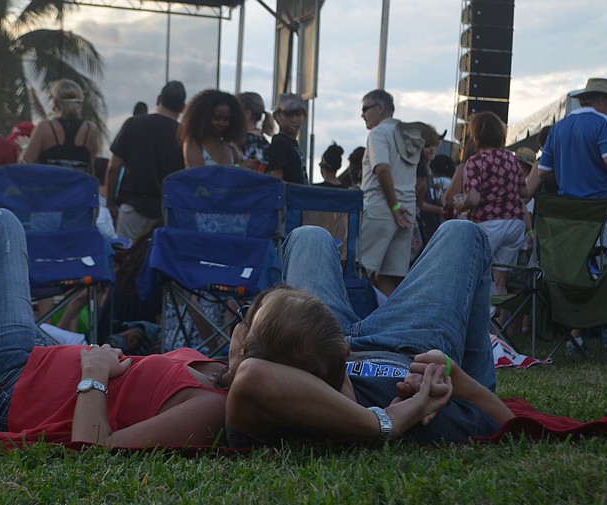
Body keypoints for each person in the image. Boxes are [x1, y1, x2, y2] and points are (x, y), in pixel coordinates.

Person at [0, 209, 229, 448]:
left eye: (250, 317)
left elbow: (95, 446)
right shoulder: (218, 368)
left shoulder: (213, 407)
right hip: (33, 364)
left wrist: (96, 372)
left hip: (2, 392)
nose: (240, 321)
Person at [225, 221, 515, 447]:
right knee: (463, 232)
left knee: (308, 235)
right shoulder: (418, 405)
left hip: (315, 337)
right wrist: (450, 372)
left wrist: (237, 361)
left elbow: (250, 374)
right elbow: (500, 422)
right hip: (409, 347)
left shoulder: (269, 393)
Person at [538, 78, 607, 354]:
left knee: (579, 274)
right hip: (602, 211)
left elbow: (544, 172)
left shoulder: (559, 127)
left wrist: (570, 183)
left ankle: (576, 336)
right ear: (602, 100)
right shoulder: (601, 122)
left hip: (571, 216)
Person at [453, 111, 528, 307]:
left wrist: (461, 204)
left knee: (475, 274)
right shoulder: (511, 159)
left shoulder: (476, 162)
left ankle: (478, 327)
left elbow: (474, 199)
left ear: (476, 135)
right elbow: (524, 190)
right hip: (515, 223)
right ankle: (498, 330)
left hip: (488, 223)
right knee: (501, 281)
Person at [358, 89, 424, 297]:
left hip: (382, 208)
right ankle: (393, 324)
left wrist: (394, 206)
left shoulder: (378, 133)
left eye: (365, 109)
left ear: (380, 108)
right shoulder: (409, 135)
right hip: (407, 211)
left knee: (360, 269)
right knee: (391, 276)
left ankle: (355, 323)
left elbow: (382, 169)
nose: (363, 115)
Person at [106, 81, 186, 242]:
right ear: (183, 108)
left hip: (132, 208)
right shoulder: (184, 136)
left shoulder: (133, 124)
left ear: (158, 99)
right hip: (165, 213)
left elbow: (114, 167)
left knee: (126, 262)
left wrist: (110, 203)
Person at [20, 79, 98, 174]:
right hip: (78, 188)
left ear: (55, 102)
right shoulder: (90, 129)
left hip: (50, 187)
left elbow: (24, 163)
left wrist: (24, 146)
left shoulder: (44, 127)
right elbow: (91, 168)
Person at [179, 89, 245, 168]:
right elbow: (200, 176)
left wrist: (241, 168)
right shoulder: (194, 144)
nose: (222, 123)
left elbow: (236, 170)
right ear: (204, 118)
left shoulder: (232, 150)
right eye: (217, 118)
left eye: (226, 119)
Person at [265, 93, 309, 184]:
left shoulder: (291, 144)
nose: (293, 120)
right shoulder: (279, 143)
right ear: (276, 117)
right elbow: (276, 180)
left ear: (304, 117)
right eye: (288, 115)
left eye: (298, 115)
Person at [238, 91, 273, 171]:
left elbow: (231, 168)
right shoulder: (264, 142)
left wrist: (237, 166)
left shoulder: (244, 142)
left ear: (248, 114)